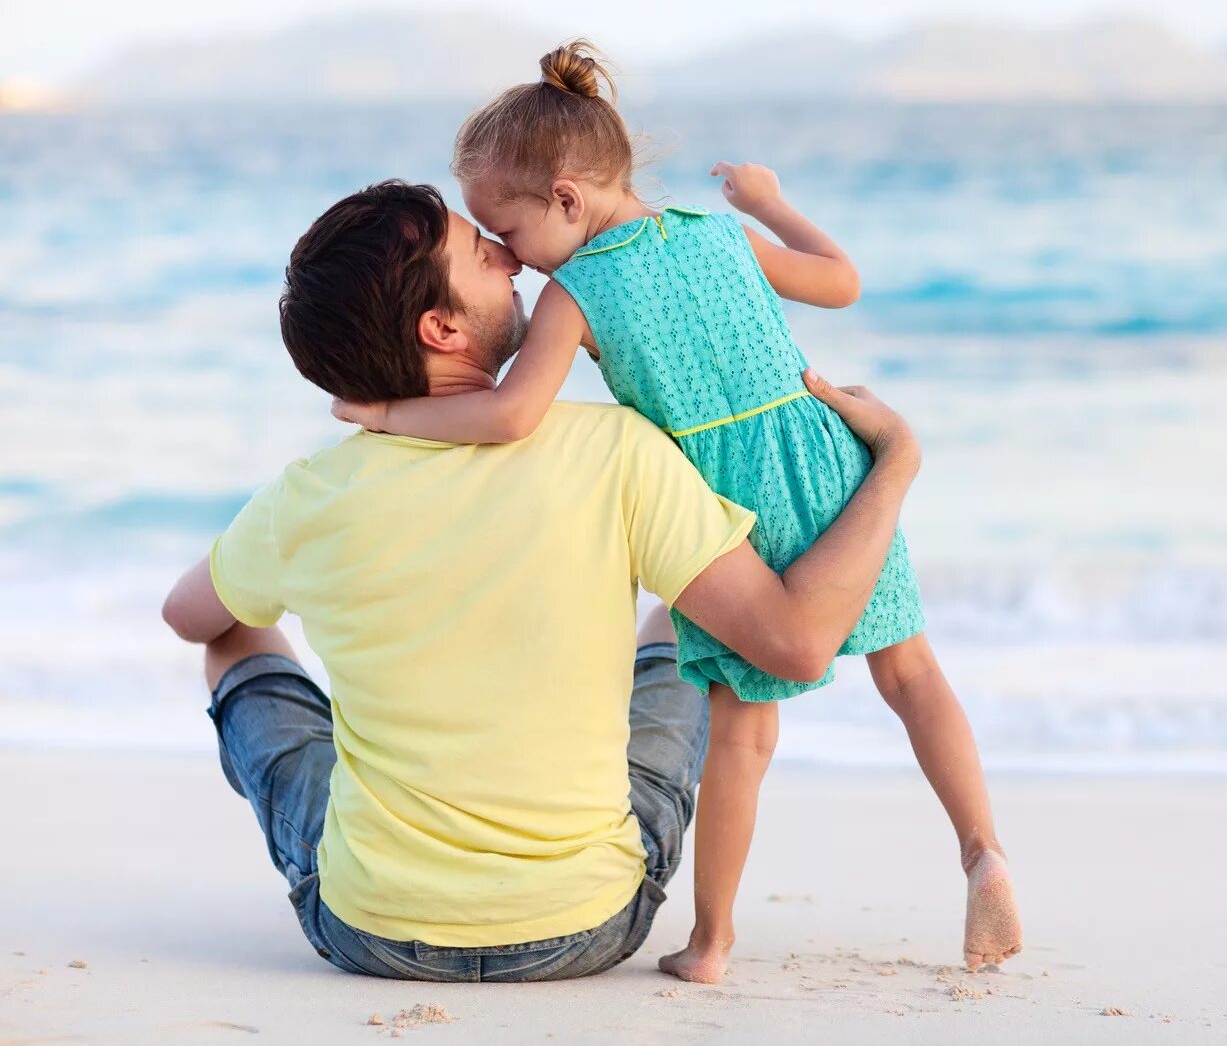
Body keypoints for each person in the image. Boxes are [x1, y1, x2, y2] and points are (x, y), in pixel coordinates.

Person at [330, 40, 1022, 983]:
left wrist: (386, 411)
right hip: (828, 454)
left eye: (513, 235)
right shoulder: (719, 233)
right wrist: (768, 201)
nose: (518, 266)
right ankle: (981, 847)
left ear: (567, 200)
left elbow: (510, 413)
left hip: (723, 505)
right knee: (911, 673)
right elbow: (842, 279)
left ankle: (713, 941)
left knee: (741, 731)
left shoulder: (578, 288)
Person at [161, 179, 924, 981]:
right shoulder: (615, 450)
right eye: (479, 253)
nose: (509, 255)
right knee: (682, 613)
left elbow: (187, 615)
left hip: (376, 932)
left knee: (232, 636)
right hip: (591, 923)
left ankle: (395, 851)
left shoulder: (306, 497)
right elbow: (800, 646)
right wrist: (895, 461)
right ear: (441, 326)